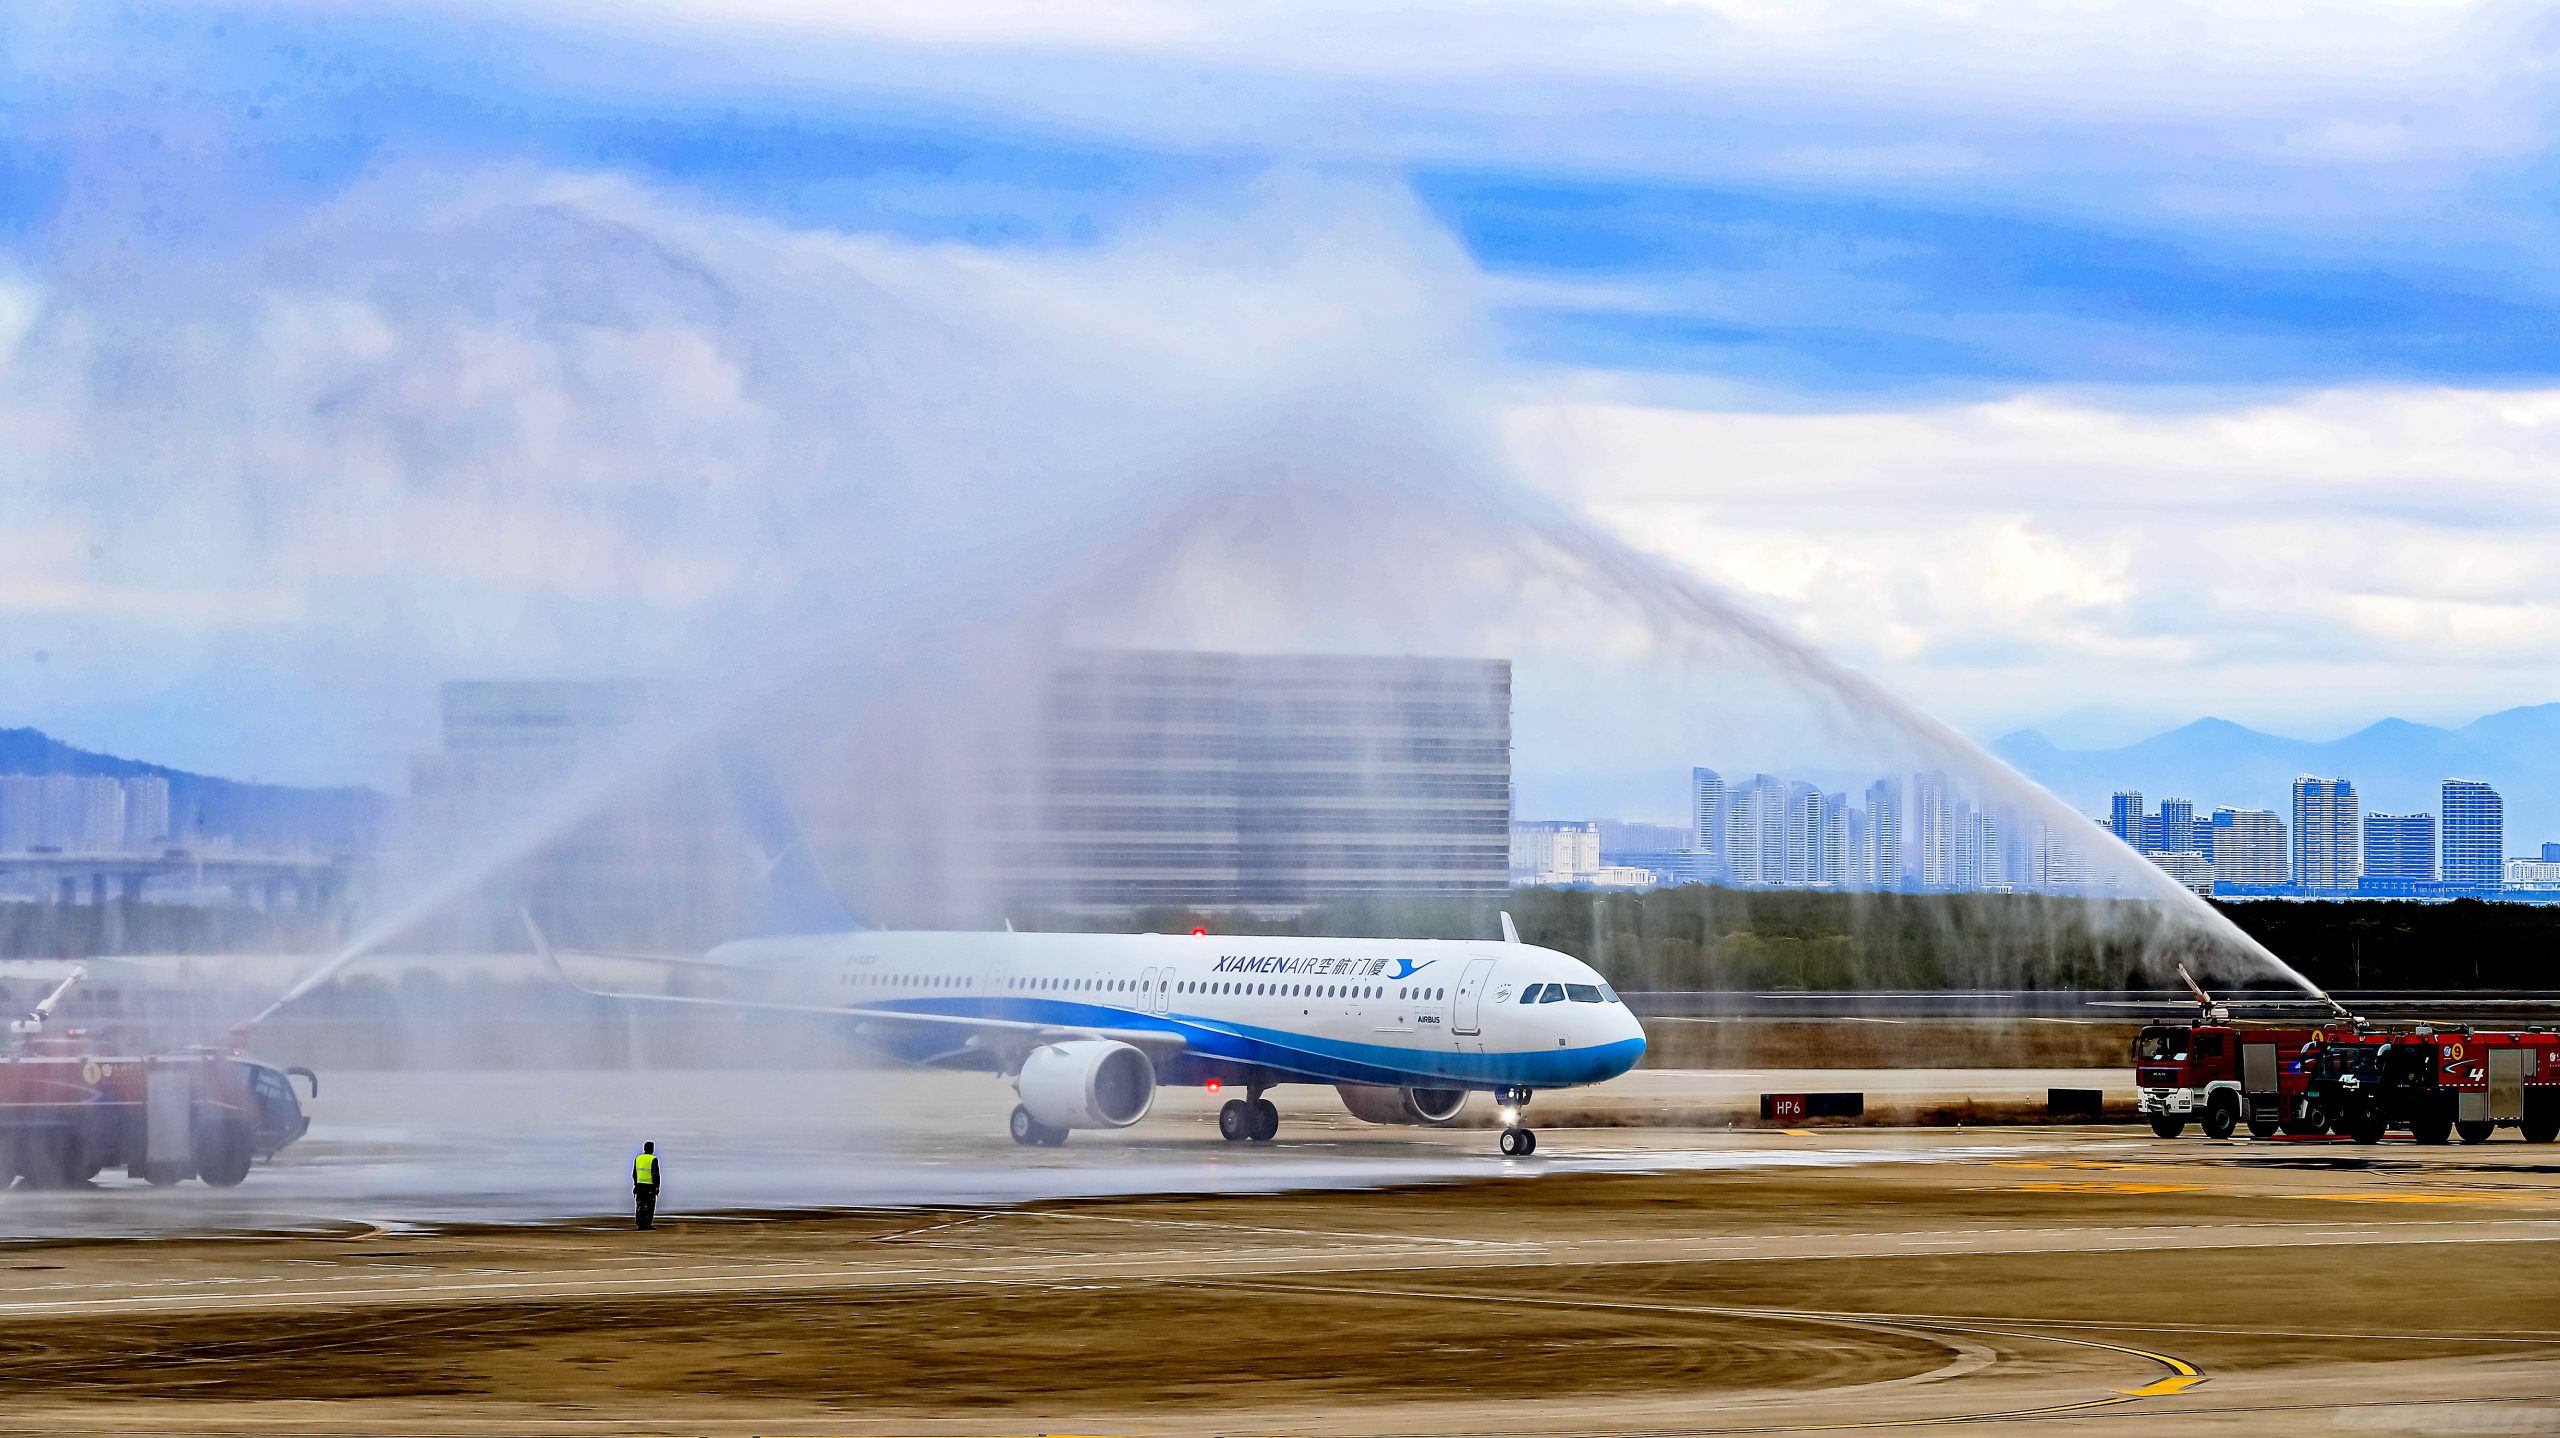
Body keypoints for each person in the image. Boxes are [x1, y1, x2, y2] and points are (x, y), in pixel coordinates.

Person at [632, 1141, 661, 1230]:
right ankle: (647, 1224)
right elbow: (655, 1174)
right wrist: (657, 1186)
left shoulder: (638, 1158)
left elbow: (634, 1174)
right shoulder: (653, 1159)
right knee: (649, 1206)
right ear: (652, 1149)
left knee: (640, 1205)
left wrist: (636, 1184)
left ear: (644, 1148)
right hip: (649, 1186)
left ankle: (640, 1224)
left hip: (639, 1185)